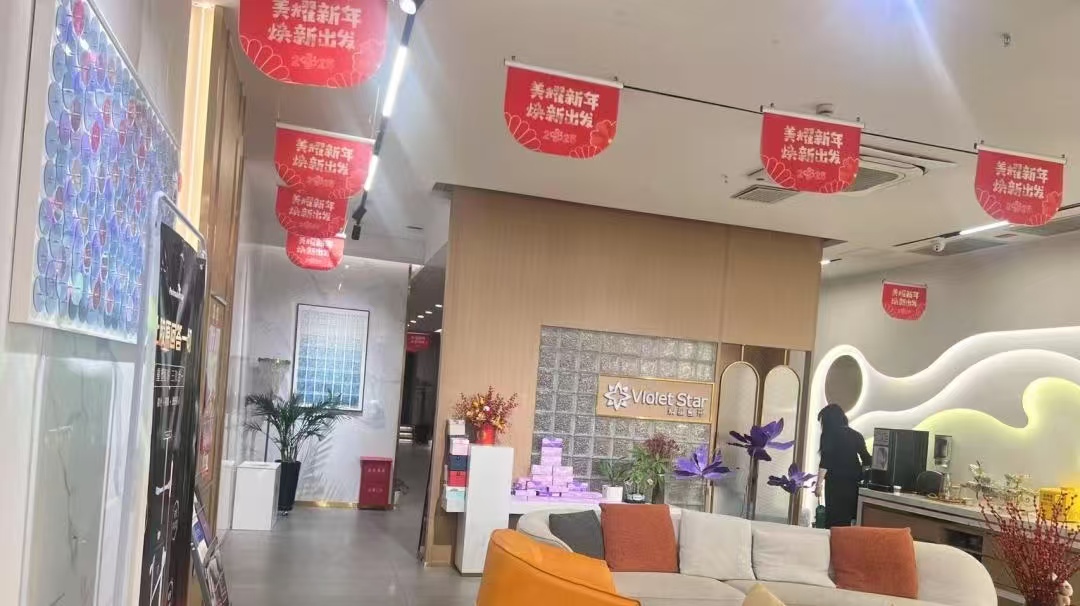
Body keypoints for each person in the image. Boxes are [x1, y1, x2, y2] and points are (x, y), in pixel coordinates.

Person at [814, 403, 871, 528]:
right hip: (853, 483)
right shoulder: (856, 435)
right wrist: (862, 475)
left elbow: (825, 462)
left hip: (835, 484)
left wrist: (818, 486)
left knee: (834, 520)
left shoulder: (828, 436)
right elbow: (867, 459)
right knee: (849, 519)